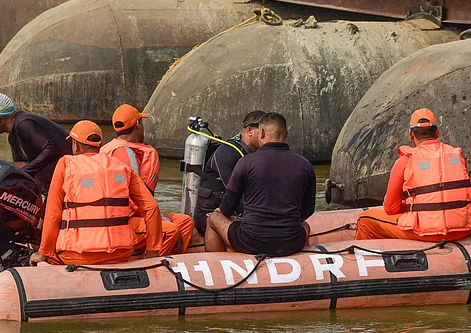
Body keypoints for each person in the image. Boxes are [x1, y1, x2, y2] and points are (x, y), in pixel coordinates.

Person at [31, 120, 162, 266]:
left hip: (77, 255)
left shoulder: (65, 164)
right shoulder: (122, 167)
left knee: (47, 259)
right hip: (121, 253)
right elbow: (151, 207)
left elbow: (53, 213)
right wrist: (152, 251)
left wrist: (44, 252)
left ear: (76, 146)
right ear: (99, 145)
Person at [354, 109, 471, 242]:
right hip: (463, 229)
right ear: (437, 132)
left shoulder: (405, 161)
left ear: (411, 134)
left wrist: (412, 205)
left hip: (428, 233)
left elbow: (390, 208)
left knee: (365, 220)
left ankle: (363, 254)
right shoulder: (457, 156)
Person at [206, 112, 316, 257]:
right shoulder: (305, 165)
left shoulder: (246, 162)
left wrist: (221, 212)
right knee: (305, 226)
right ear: (286, 134)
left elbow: (227, 206)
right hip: (290, 242)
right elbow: (308, 210)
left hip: (250, 241)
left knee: (213, 218)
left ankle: (215, 264)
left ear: (262, 133)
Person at [101, 103, 194, 254]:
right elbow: (137, 201)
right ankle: (153, 262)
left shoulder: (116, 148)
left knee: (185, 222)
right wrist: (161, 221)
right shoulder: (124, 153)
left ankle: (171, 260)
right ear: (138, 124)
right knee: (171, 230)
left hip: (134, 214)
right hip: (125, 218)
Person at [193, 110, 267, 234]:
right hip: (210, 215)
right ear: (250, 131)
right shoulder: (228, 153)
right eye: (263, 132)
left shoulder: (252, 154)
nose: (266, 137)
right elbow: (234, 195)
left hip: (236, 213)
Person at [0, 93, 69, 192]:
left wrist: (24, 172)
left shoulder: (24, 124)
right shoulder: (12, 137)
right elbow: (20, 165)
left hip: (71, 171)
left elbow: (51, 149)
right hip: (54, 178)